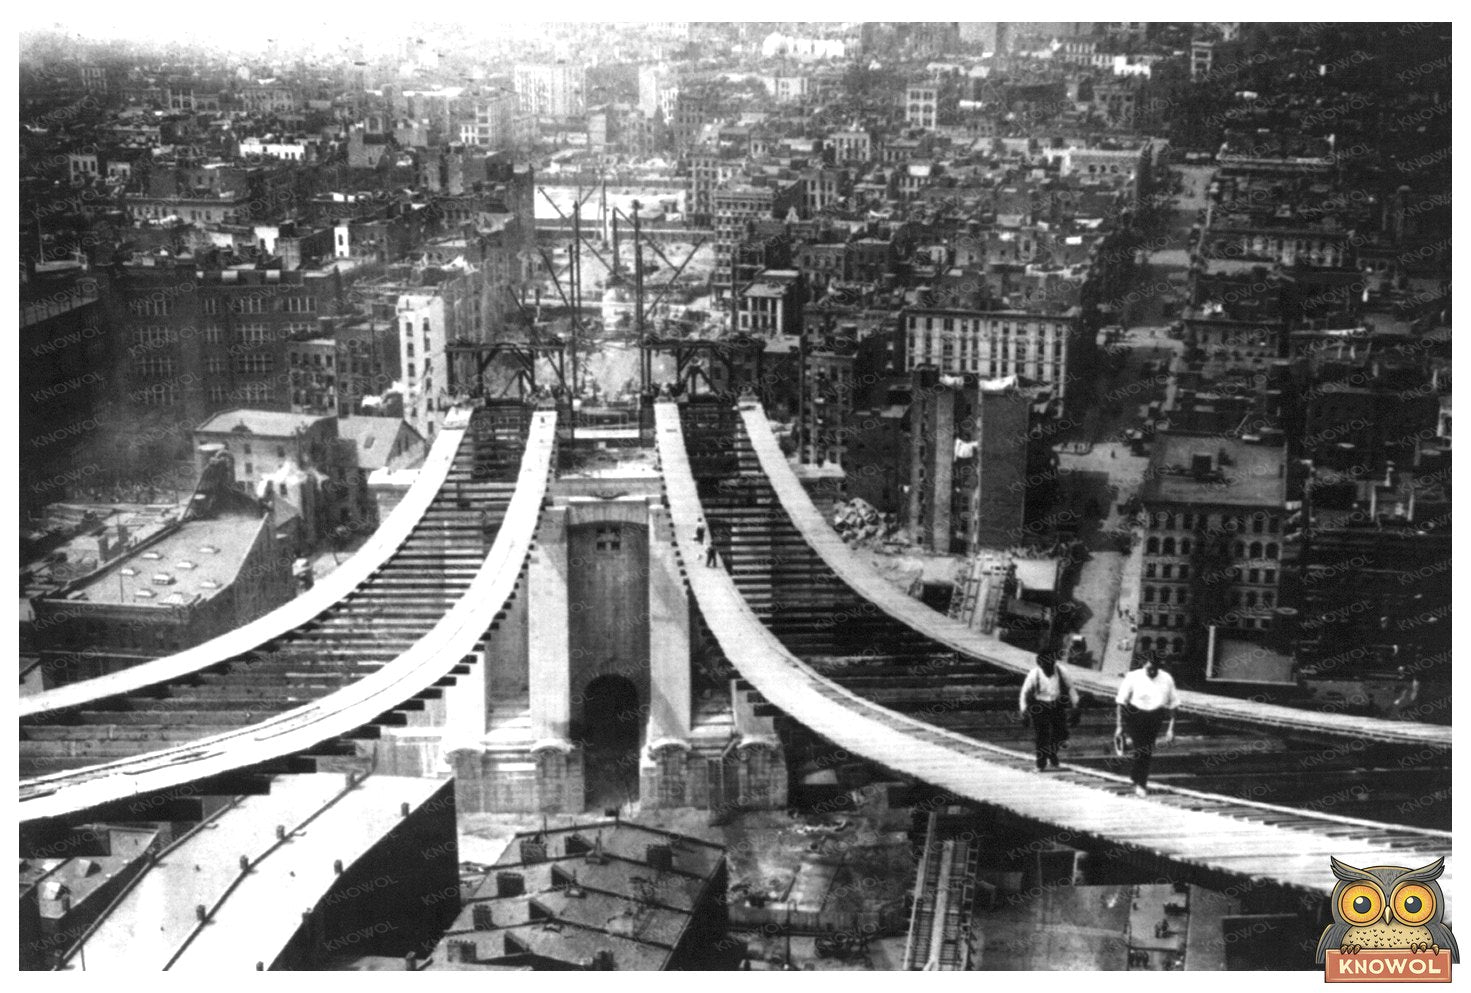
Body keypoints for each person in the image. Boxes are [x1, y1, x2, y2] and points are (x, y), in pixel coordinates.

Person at [1115, 655, 1179, 796]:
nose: (1152, 672)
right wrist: (1119, 726)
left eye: (1155, 669)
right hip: (1135, 715)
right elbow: (1120, 702)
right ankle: (1141, 783)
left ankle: (1136, 777)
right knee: (1141, 748)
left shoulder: (1167, 678)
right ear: (1144, 665)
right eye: (1149, 669)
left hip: (1155, 716)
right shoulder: (1133, 676)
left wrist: (1171, 729)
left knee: (1146, 749)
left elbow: (1174, 706)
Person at [1019, 652, 1081, 771]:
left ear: (1054, 663)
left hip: (1056, 705)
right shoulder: (1034, 674)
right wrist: (1023, 711)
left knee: (1062, 734)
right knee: (1041, 735)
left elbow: (1071, 689)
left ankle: (1052, 753)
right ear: (1040, 665)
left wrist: (1076, 706)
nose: (1048, 669)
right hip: (1040, 705)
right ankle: (1040, 764)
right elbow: (1024, 693)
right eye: (1045, 666)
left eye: (1051, 665)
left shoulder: (1062, 671)